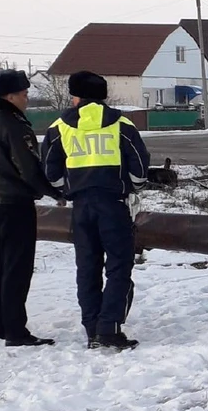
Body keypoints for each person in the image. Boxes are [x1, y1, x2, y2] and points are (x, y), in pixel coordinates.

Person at [42, 71, 150, 350]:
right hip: (113, 205)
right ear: (103, 96)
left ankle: (92, 329)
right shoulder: (121, 124)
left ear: (75, 96)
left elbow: (49, 170)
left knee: (87, 267)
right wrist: (131, 185)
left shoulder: (59, 127)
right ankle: (110, 328)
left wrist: (65, 188)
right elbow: (139, 165)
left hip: (81, 208)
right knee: (118, 265)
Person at [0, 69, 60, 347]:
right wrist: (54, 191)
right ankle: (15, 331)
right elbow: (28, 167)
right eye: (24, 95)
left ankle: (3, 324)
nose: (26, 100)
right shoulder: (13, 123)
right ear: (9, 96)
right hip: (13, 204)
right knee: (16, 268)